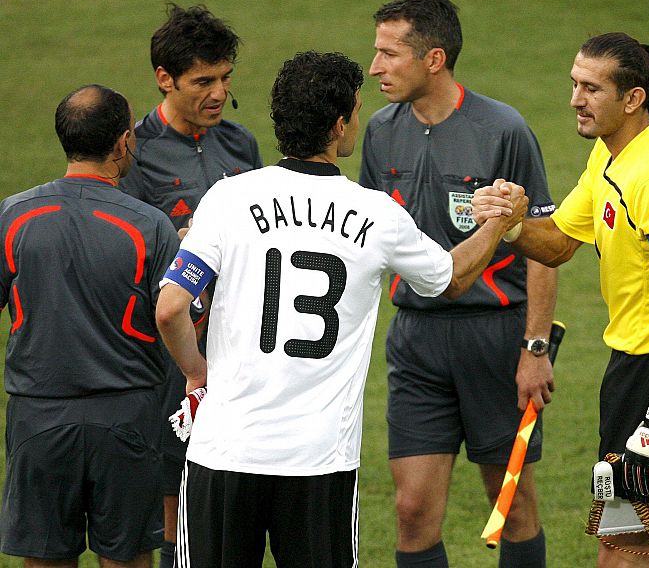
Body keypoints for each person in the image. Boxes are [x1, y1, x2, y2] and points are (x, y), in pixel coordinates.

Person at [155, 51, 528, 568]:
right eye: (355, 109)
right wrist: (499, 221)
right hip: (319, 460)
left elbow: (171, 308)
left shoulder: (227, 198)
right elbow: (451, 277)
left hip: (223, 452)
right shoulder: (377, 213)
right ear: (338, 125)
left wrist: (196, 374)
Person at [473, 32, 649, 568]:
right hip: (635, 362)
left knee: (622, 547)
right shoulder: (614, 155)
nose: (575, 99)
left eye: (591, 88)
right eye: (574, 84)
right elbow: (562, 242)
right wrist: (512, 224)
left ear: (632, 98)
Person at [359, 0, 557, 568]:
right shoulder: (379, 132)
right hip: (416, 343)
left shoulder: (503, 129)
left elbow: (544, 248)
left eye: (389, 55)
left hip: (495, 340)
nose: (376, 68)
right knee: (411, 510)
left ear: (434, 59)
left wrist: (535, 348)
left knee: (510, 503)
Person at [0, 85, 180, 567]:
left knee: (44, 559)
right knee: (128, 560)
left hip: (38, 420)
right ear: (123, 142)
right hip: (127, 420)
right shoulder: (149, 224)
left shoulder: (14, 216)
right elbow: (176, 314)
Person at [119, 3, 262, 568]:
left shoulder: (241, 146)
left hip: (235, 349)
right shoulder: (134, 152)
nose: (218, 93)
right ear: (165, 79)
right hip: (165, 356)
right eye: (204, 81)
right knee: (168, 499)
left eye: (225, 78)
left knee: (224, 494)